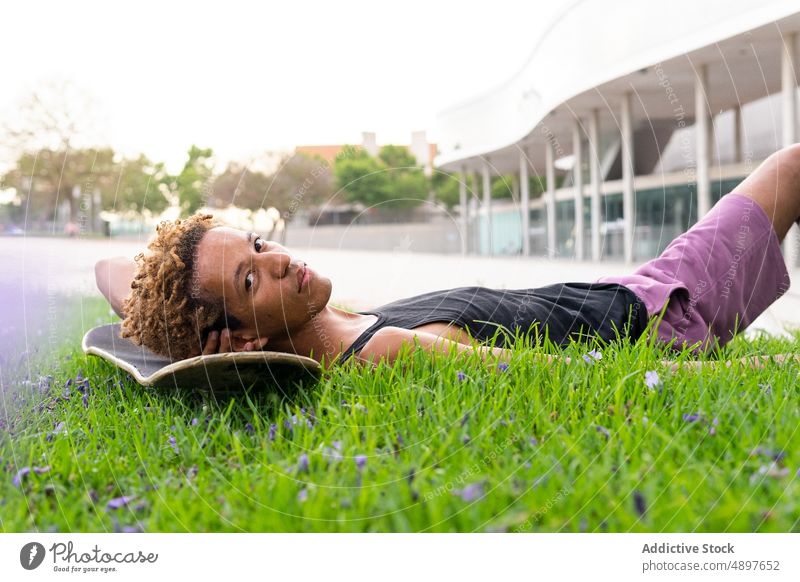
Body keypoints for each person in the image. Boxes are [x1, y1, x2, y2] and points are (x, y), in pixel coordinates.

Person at [95, 145, 800, 369]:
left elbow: (120, 278)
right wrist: (765, 367)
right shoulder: (393, 348)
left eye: (257, 243)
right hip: (662, 313)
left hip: (625, 286)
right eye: (251, 277)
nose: (277, 258)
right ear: (246, 333)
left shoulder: (321, 322)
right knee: (793, 166)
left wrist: (177, 327)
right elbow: (563, 378)